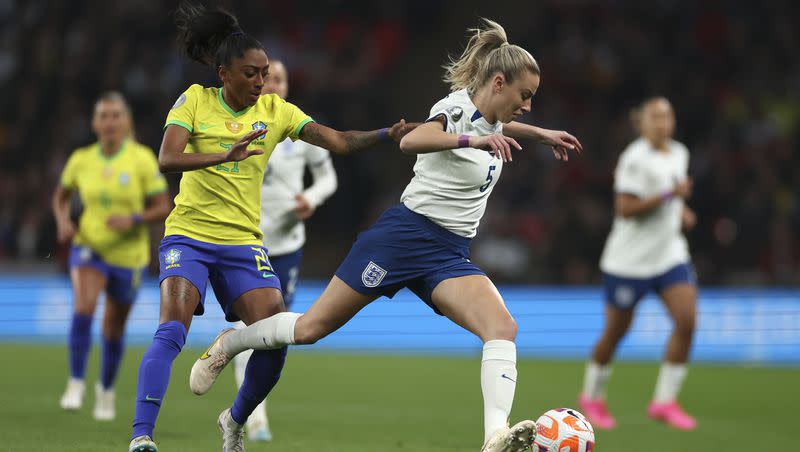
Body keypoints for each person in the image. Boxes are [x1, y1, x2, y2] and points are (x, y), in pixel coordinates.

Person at [191, 19, 583, 452]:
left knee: (502, 327)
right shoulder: (455, 110)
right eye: (525, 96)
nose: (528, 106)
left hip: (448, 254)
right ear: (497, 82)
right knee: (309, 329)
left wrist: (540, 135)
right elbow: (413, 141)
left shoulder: (492, 122)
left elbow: (498, 129)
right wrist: (470, 142)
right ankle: (232, 343)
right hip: (401, 238)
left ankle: (495, 436)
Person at [128, 3, 411, 452]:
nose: (260, 82)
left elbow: (335, 140)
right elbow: (167, 158)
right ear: (224, 73)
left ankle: (234, 418)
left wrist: (384, 135)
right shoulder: (194, 101)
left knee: (277, 335)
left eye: (264, 73)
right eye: (251, 74)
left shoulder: (276, 110)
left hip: (242, 241)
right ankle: (142, 437)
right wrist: (226, 154)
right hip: (190, 236)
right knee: (171, 332)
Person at [231, 59, 339, 442]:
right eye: (266, 78)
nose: (273, 84)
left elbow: (328, 177)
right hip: (245, 242)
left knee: (275, 333)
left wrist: (310, 197)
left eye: (280, 78)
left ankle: (250, 406)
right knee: (249, 329)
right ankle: (253, 414)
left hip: (287, 245)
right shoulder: (240, 124)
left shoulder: (298, 129)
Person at [578, 97, 698, 431]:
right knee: (616, 333)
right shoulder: (634, 159)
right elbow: (624, 208)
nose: (662, 122)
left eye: (667, 116)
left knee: (686, 320)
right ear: (642, 123)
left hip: (670, 255)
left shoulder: (680, 152)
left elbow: (671, 199)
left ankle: (664, 401)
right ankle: (592, 396)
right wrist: (668, 197)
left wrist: (681, 212)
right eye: (655, 117)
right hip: (629, 262)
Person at [52, 91, 171, 421]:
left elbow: (163, 206)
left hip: (128, 256)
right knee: (85, 306)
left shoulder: (142, 159)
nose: (109, 122)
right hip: (90, 245)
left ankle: (105, 389)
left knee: (114, 328)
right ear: (94, 123)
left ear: (126, 121)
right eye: (103, 116)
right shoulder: (81, 159)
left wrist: (133, 219)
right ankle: (76, 382)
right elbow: (60, 197)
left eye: (115, 115)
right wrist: (63, 221)